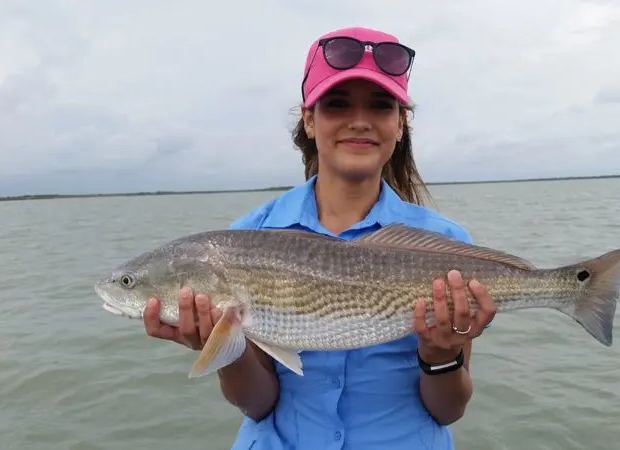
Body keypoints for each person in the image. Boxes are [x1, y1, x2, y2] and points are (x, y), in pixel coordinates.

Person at [143, 26, 497, 449]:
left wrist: (441, 357)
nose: (360, 121)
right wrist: (225, 350)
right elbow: (258, 404)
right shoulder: (247, 238)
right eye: (337, 105)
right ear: (309, 120)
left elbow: (448, 410)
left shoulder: (444, 244)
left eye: (382, 106)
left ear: (400, 125)